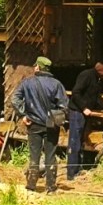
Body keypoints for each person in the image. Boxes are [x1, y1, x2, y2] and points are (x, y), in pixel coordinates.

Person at [11, 56, 68, 193]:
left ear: (38, 67)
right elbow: (64, 106)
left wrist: (23, 115)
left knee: (34, 155)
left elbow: (15, 99)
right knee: (50, 155)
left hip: (33, 123)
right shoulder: (57, 84)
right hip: (51, 125)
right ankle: (51, 187)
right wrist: (55, 118)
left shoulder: (27, 83)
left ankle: (31, 186)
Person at [67, 60, 103, 180]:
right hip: (77, 112)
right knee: (74, 142)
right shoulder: (86, 75)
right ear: (101, 71)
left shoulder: (98, 80)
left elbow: (97, 98)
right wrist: (84, 108)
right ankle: (71, 173)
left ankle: (78, 169)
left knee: (81, 142)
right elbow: (76, 93)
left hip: (85, 114)